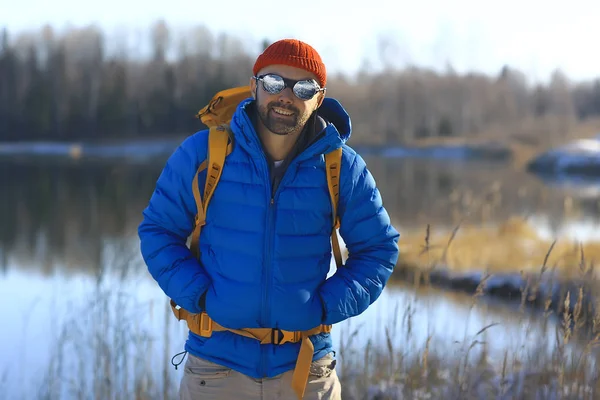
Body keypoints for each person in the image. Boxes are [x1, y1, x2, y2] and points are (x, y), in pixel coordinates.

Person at [138, 38, 400, 400]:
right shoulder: (204, 154)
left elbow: (379, 249)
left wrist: (326, 305)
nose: (286, 96)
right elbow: (158, 232)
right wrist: (199, 295)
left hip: (306, 372)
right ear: (254, 86)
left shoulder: (342, 167)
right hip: (215, 370)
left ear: (319, 98)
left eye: (303, 87)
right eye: (274, 82)